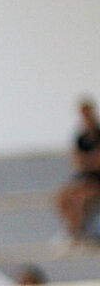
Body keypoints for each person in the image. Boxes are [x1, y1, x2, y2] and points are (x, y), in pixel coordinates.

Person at [53, 96, 100, 245]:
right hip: (84, 179)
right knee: (62, 198)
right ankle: (72, 231)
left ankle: (78, 232)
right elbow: (78, 162)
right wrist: (89, 161)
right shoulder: (81, 138)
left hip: (96, 181)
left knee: (81, 198)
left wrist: (88, 161)